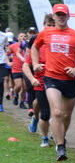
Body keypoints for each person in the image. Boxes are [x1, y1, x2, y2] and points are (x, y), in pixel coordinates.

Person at [31, 3, 75, 161]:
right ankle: (60, 146)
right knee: (56, 112)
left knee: (66, 115)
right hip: (51, 77)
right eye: (58, 15)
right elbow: (34, 48)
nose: (61, 17)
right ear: (54, 16)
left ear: (68, 16)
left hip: (70, 80)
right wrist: (36, 64)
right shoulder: (46, 33)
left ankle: (60, 136)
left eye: (63, 15)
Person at [22, 14, 55, 146]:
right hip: (39, 79)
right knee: (41, 107)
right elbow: (26, 64)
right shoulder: (37, 41)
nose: (51, 28)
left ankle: (56, 135)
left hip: (56, 80)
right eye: (49, 25)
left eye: (54, 26)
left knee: (58, 111)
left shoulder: (59, 42)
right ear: (43, 25)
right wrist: (32, 76)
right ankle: (37, 121)